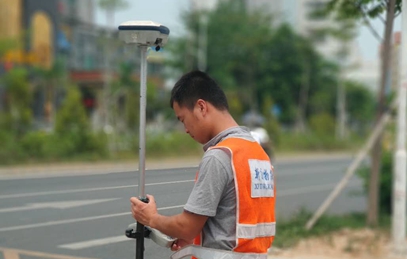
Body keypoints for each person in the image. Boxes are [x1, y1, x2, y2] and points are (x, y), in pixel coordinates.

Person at [130, 70, 276, 259]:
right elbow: (235, 220)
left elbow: (187, 227)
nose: (185, 129)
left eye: (183, 119)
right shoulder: (258, 153)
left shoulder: (220, 156)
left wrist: (151, 218)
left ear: (201, 107)